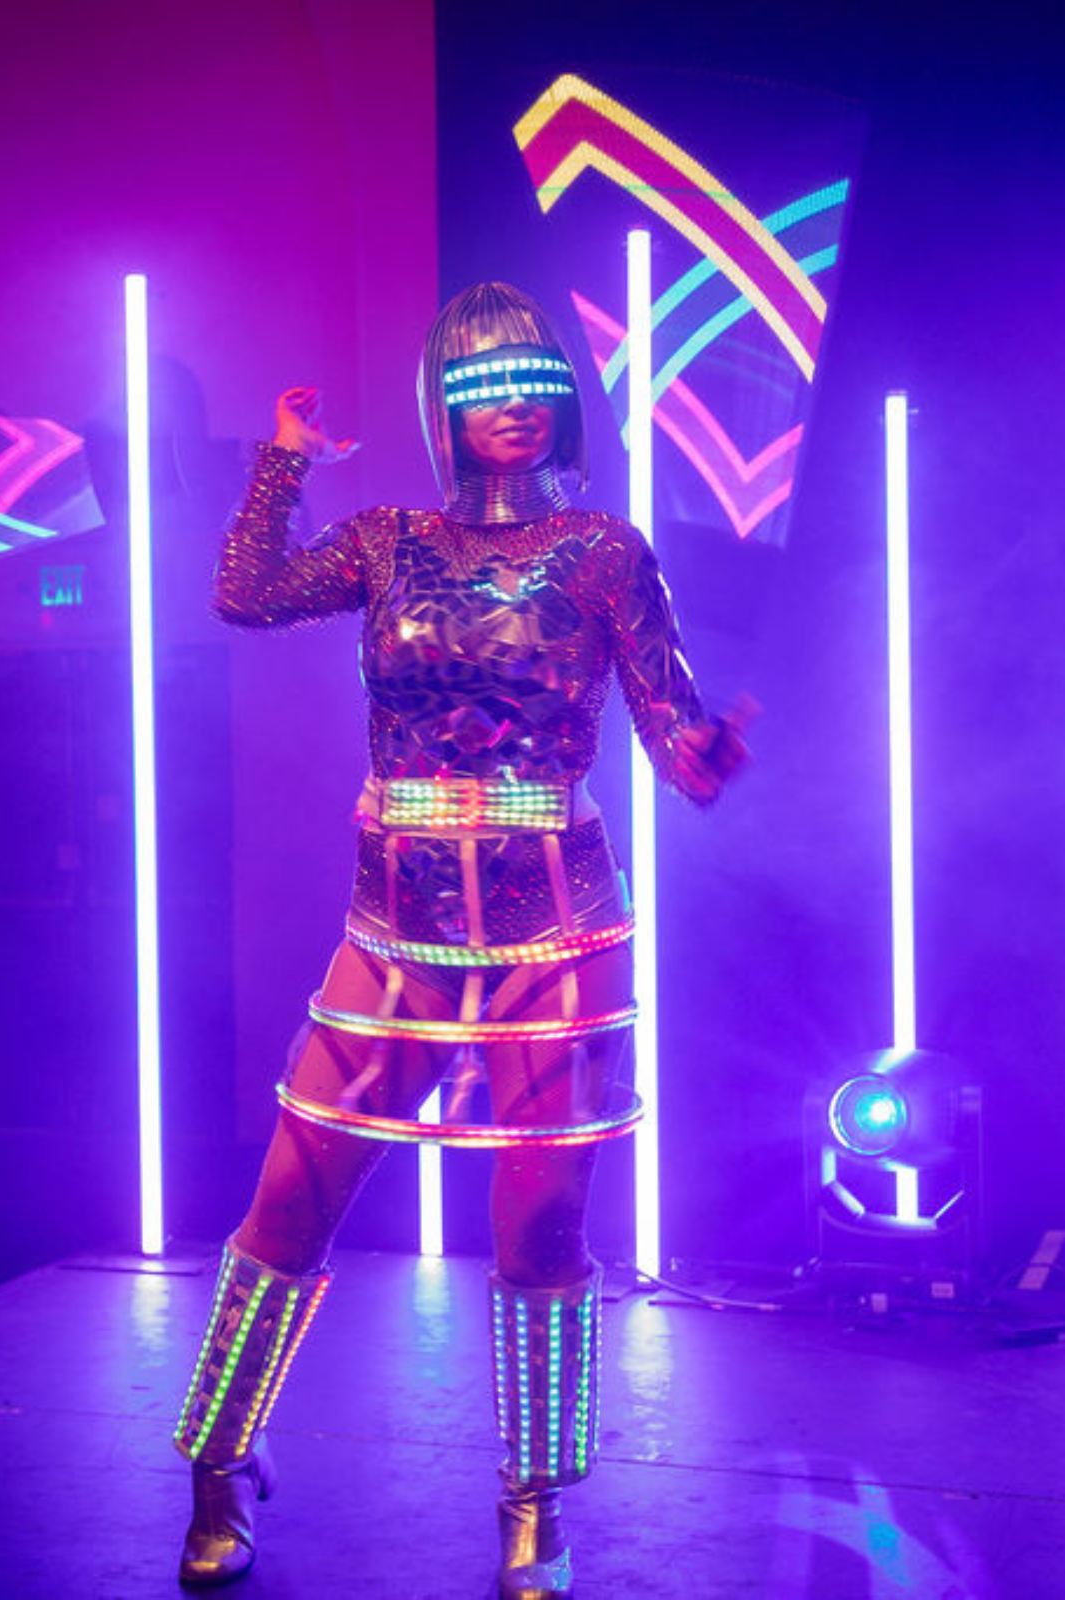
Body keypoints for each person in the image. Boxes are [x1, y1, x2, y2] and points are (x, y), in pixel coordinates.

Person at [173, 282, 747, 1594]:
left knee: (543, 1225)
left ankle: (534, 1503)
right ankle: (218, 1461)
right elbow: (246, 594)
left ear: (558, 402)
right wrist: (280, 464)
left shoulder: (606, 549)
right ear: (444, 407)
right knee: (289, 1199)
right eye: (477, 388)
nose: (505, 408)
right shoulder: (383, 540)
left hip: (559, 928)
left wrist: (716, 753)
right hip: (397, 922)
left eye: (525, 384)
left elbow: (678, 747)